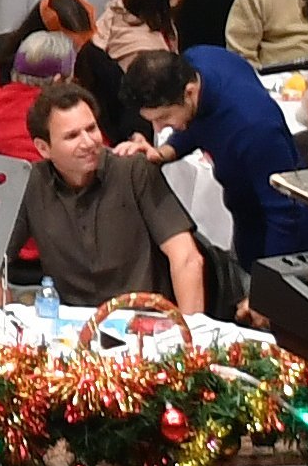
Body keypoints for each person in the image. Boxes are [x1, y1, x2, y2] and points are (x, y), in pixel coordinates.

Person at [14, 92, 206, 311]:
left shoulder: (133, 169)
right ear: (43, 148)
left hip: (143, 321)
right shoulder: (31, 183)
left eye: (91, 129)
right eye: (72, 136)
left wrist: (190, 334)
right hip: (70, 328)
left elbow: (188, 258)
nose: (88, 142)